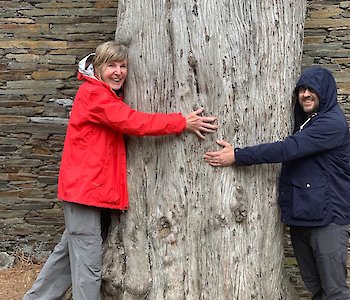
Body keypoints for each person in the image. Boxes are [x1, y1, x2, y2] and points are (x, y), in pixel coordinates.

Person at [24, 41, 217, 300]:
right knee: (88, 266)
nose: (118, 72)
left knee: (68, 253)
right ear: (99, 68)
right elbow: (132, 121)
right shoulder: (94, 95)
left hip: (87, 191)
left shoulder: (104, 94)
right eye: (111, 66)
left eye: (123, 66)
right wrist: (181, 121)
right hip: (83, 192)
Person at [204, 67, 350, 300]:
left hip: (328, 221)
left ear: (326, 92)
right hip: (303, 218)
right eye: (302, 89)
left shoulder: (331, 124)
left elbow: (288, 149)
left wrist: (238, 155)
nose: (305, 94)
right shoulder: (306, 121)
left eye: (312, 89)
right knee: (317, 289)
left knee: (335, 291)